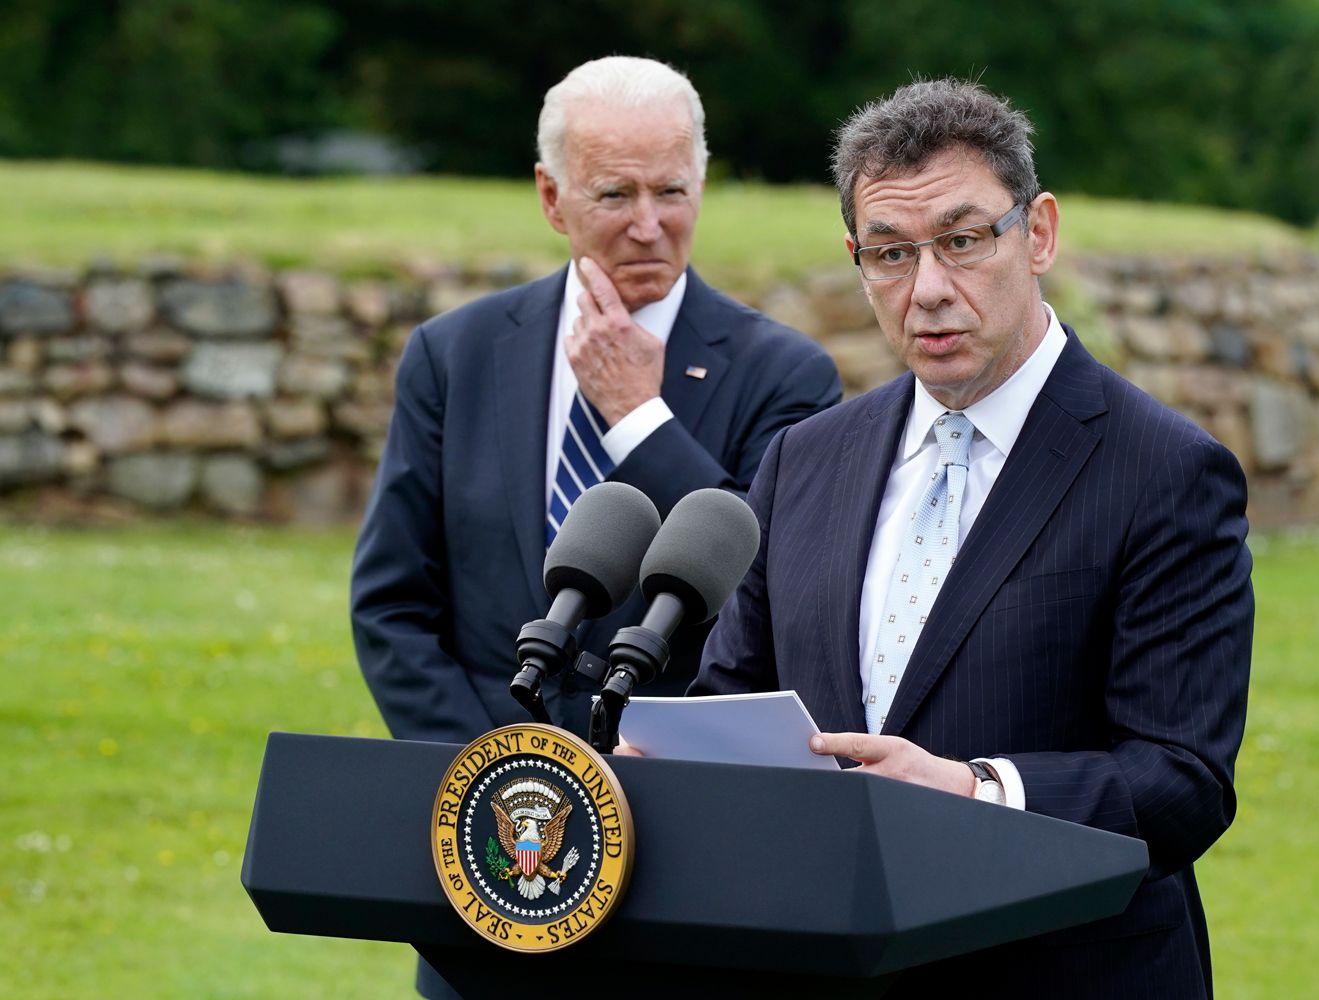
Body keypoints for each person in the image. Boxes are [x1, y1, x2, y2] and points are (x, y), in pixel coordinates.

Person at [690, 79, 1253, 997]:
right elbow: (734, 697)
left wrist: (975, 791)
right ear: (857, 261)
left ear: (1038, 233)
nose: (928, 291)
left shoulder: (1167, 471)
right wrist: (672, 766)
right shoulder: (804, 459)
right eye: (891, 254)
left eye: (961, 241)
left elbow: (1181, 780)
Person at [351, 55, 842, 748]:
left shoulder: (786, 375)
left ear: (701, 186)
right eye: (615, 194)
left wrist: (638, 418)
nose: (648, 224)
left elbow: (772, 591)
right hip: (482, 778)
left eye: (671, 191)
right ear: (552, 197)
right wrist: (480, 768)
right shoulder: (454, 354)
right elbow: (393, 605)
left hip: (674, 776)